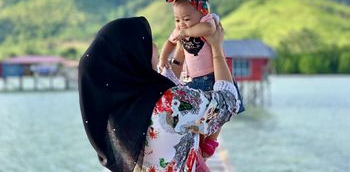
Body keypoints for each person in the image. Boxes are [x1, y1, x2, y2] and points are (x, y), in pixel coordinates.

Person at [78, 16, 241, 172]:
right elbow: (228, 103)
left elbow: (165, 82)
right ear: (135, 53)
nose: (155, 47)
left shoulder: (114, 106)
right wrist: (217, 49)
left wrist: (179, 50)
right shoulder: (169, 103)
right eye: (148, 42)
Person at [159, 0, 244, 158]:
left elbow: (209, 28)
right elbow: (170, 42)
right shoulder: (180, 30)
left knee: (221, 111)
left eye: (187, 19)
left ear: (203, 13)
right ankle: (201, 143)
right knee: (201, 114)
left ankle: (212, 140)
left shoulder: (208, 21)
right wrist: (162, 58)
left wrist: (186, 33)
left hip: (213, 76)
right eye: (177, 20)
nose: (181, 24)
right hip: (193, 80)